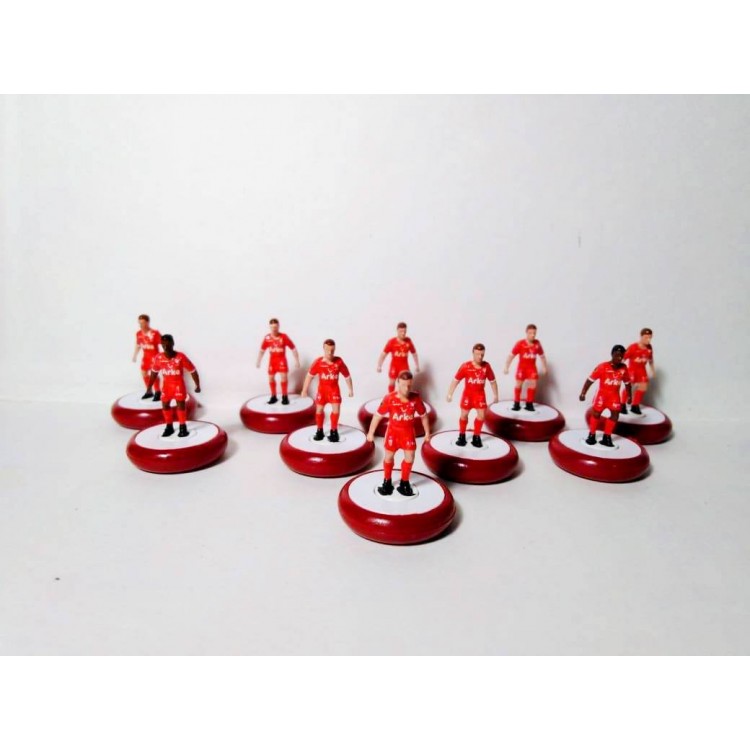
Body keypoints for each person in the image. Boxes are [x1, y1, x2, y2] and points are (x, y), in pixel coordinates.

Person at [367, 371, 431, 497]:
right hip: (393, 433)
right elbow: (377, 416)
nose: (406, 389)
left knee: (410, 457)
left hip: (408, 433)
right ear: (398, 383)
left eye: (409, 385)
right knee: (389, 457)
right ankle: (387, 482)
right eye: (403, 385)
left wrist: (427, 432)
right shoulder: (389, 398)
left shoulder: (416, 398)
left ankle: (404, 482)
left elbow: (424, 416)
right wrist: (370, 433)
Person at [146, 334, 201, 438]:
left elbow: (192, 370)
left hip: (178, 385)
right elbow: (154, 372)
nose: (165, 347)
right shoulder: (159, 358)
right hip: (166, 386)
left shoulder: (180, 357)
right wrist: (149, 387)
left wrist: (197, 385)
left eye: (168, 344)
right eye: (163, 345)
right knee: (165, 405)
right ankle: (169, 427)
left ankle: (182, 427)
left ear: (172, 344)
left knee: (180, 405)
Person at [446, 343, 499, 448]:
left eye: (482, 354)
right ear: (473, 353)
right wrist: (450, 393)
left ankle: (476, 436)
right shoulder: (466, 366)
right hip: (468, 395)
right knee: (464, 415)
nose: (480, 357)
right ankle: (462, 435)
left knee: (481, 415)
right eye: (478, 354)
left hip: (480, 395)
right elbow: (456, 380)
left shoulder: (486, 367)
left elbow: (493, 381)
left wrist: (496, 395)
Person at [300, 339, 353, 442]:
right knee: (319, 410)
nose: (330, 353)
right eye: (327, 350)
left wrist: (350, 389)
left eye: (332, 350)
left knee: (336, 410)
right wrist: (304, 390)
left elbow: (347, 376)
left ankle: (334, 432)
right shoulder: (318, 362)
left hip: (334, 391)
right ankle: (319, 431)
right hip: (322, 391)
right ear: (323, 349)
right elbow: (309, 376)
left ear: (335, 349)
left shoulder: (339, 362)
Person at [579, 345, 632, 447]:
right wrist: (583, 393)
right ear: (612, 354)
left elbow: (627, 383)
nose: (619, 358)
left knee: (615, 415)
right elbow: (590, 380)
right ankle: (591, 435)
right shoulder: (602, 367)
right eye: (617, 355)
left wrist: (629, 396)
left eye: (621, 356)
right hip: (601, 396)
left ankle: (607, 437)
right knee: (596, 413)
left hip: (614, 397)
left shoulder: (624, 368)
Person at [255, 318, 300, 405]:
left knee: (284, 377)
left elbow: (293, 348)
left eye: (275, 327)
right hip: (272, 361)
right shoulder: (267, 338)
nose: (274, 329)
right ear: (270, 327)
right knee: (271, 378)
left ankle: (285, 396)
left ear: (278, 326)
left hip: (281, 360)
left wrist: (297, 360)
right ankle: (273, 396)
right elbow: (262, 350)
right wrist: (258, 361)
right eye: (272, 327)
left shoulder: (284, 337)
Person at [503, 323, 547, 411]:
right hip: (522, 369)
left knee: (533, 384)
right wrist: (506, 366)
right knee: (518, 385)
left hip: (532, 369)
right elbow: (511, 356)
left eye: (534, 333)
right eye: (530, 333)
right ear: (526, 333)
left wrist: (544, 367)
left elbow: (542, 356)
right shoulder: (520, 344)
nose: (532, 335)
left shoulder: (537, 344)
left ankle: (529, 404)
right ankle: (516, 403)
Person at [376, 322, 420, 393]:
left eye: (404, 331)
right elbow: (383, 354)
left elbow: (414, 353)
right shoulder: (392, 342)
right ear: (397, 331)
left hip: (404, 366)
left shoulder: (408, 341)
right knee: (392, 382)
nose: (403, 333)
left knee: (406, 382)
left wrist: (417, 365)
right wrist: (379, 365)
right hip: (394, 366)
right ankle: (390, 395)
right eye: (401, 331)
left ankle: (405, 396)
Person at [621, 328, 655, 415]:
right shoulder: (633, 347)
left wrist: (653, 370)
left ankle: (635, 406)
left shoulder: (649, 348)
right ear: (641, 337)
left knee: (643, 387)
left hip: (642, 370)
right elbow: (623, 358)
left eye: (650, 338)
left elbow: (650, 360)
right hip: (632, 370)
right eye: (646, 337)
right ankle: (622, 404)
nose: (648, 340)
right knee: (629, 387)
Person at [132, 314, 162, 400]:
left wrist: (166, 356)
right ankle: (149, 391)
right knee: (144, 373)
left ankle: (158, 392)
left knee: (153, 374)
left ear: (148, 322)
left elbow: (164, 344)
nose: (141, 325)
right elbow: (138, 345)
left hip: (154, 357)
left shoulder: (155, 333)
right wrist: (135, 355)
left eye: (143, 323)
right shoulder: (138, 333)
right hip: (146, 357)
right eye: (140, 323)